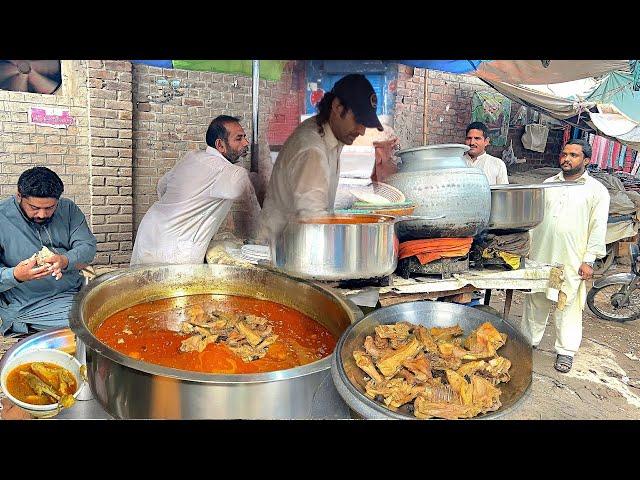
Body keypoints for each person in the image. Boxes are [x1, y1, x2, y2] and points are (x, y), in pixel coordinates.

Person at [258, 74, 383, 242]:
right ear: (337, 107)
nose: (362, 131)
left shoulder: (329, 134)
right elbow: (314, 220)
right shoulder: (312, 150)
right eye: (358, 120)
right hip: (278, 252)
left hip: (292, 247)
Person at [522, 139, 610, 373]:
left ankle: (565, 351)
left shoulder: (596, 191)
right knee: (536, 299)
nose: (567, 159)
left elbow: (598, 227)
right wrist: (526, 250)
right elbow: (534, 220)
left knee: (567, 303)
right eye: (564, 154)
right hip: (541, 254)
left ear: (586, 160)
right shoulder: (548, 184)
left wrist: (589, 259)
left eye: (574, 155)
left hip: (571, 259)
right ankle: (528, 342)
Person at [130, 115, 258, 265]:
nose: (246, 143)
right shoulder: (226, 171)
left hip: (151, 230)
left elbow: (162, 185)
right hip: (174, 248)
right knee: (176, 286)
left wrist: (178, 212)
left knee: (140, 285)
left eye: (245, 137)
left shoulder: (192, 157)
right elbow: (256, 188)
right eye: (239, 138)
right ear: (220, 145)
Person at [0, 167, 97, 335]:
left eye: (50, 207)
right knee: (90, 322)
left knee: (118, 307)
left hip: (74, 288)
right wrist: (16, 275)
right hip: (29, 303)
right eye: (34, 207)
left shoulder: (68, 209)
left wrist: (65, 260)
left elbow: (87, 248)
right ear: (19, 196)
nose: (42, 214)